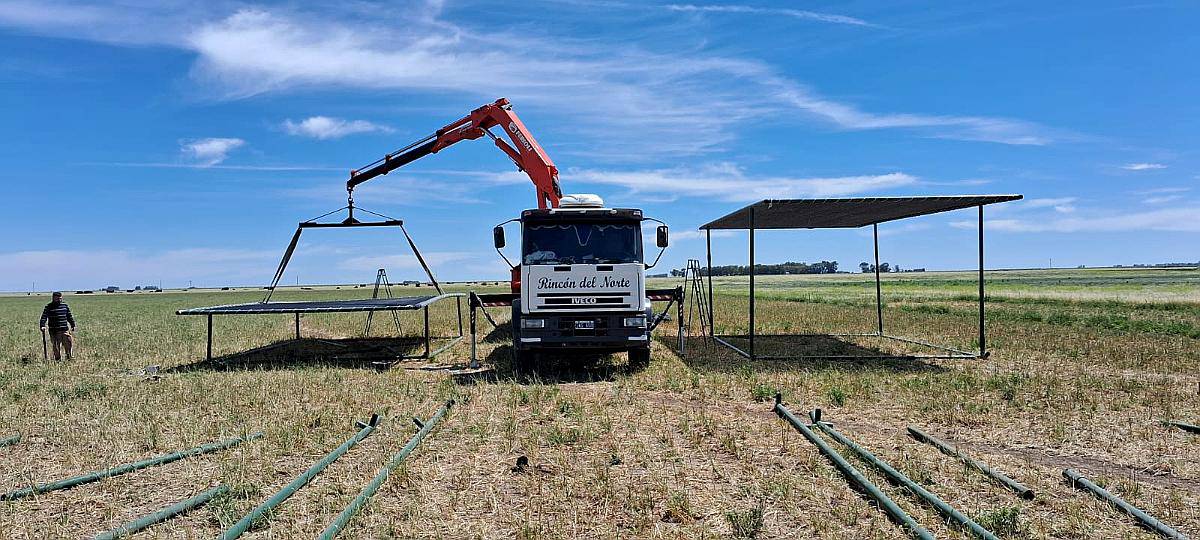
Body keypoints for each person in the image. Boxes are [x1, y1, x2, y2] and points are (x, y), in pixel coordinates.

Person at [39, 292, 76, 360]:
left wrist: (73, 324)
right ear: (53, 298)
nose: (59, 300)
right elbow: (44, 317)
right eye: (57, 298)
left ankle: (69, 357)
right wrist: (42, 325)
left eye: (60, 298)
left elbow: (69, 316)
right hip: (54, 331)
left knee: (68, 342)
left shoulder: (65, 306)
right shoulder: (48, 307)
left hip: (64, 329)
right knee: (56, 346)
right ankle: (58, 359)